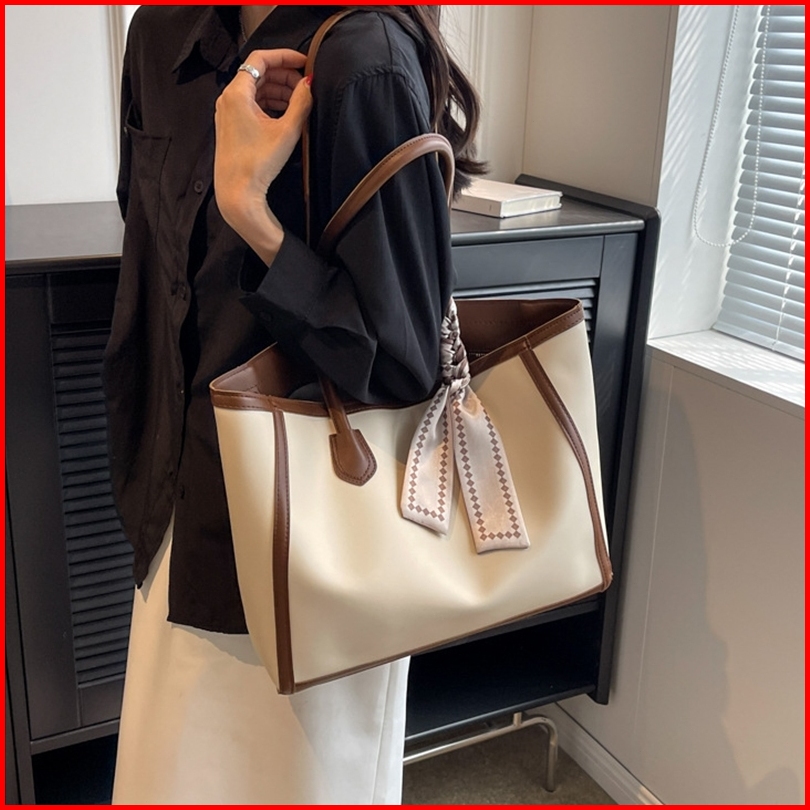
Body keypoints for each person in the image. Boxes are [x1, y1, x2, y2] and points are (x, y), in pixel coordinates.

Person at [103, 4, 484, 804]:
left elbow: (402, 361)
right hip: (173, 505)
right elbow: (148, 239)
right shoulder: (160, 34)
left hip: (313, 545)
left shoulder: (364, 55)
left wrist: (251, 212)